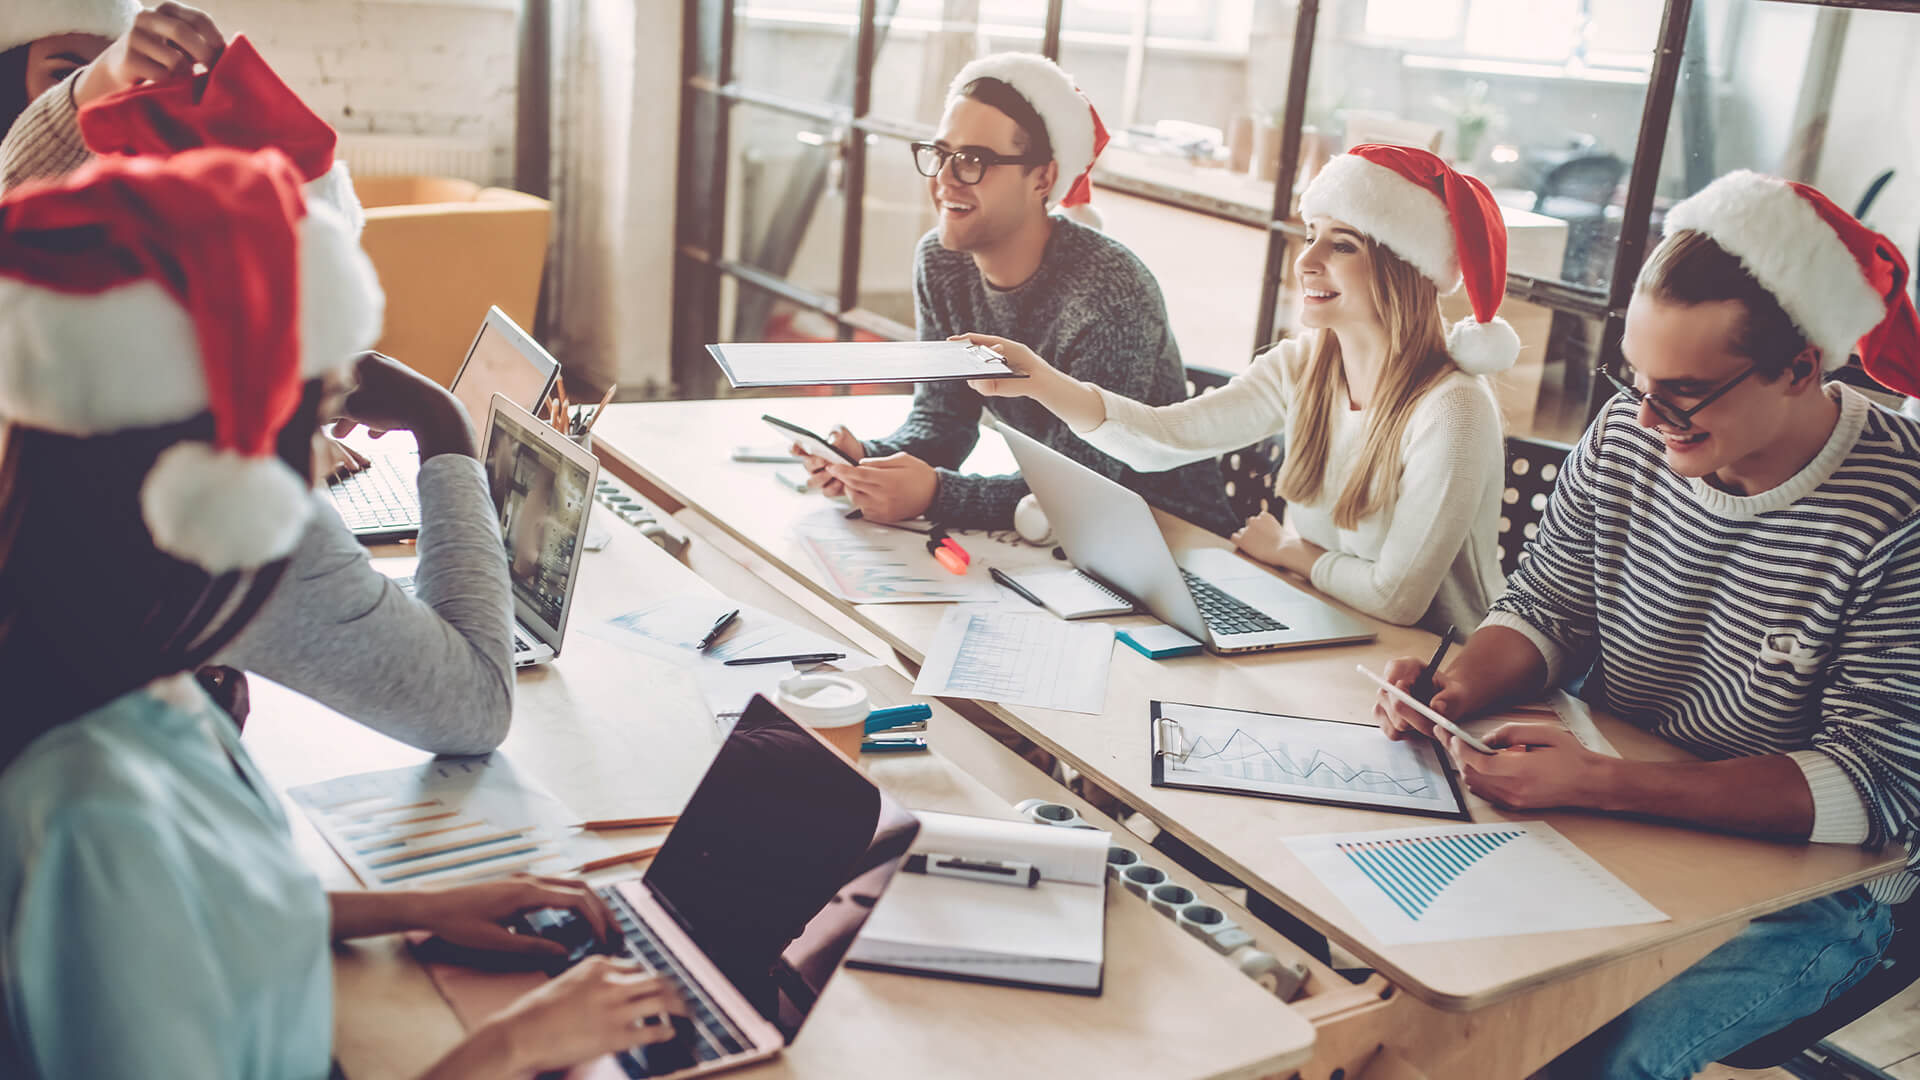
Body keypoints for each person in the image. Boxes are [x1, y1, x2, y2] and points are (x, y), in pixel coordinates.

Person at [0, 147, 684, 1080]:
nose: (326, 466)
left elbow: (192, 911)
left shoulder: (135, 667)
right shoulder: (93, 812)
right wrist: (506, 1050)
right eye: (314, 424)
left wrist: (405, 909)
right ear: (213, 479)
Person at [1374, 170, 1920, 1079]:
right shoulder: (1634, 433)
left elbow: (1876, 789)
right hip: (1611, 809)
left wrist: (1603, 784)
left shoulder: (1900, 509)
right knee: (1410, 988)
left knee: (1572, 1053)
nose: (1645, 415)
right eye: (1633, 378)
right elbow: (1546, 607)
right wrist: (1454, 688)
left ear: (1801, 367)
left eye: (1684, 392)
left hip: (1824, 892)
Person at [2, 6, 519, 755]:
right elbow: (474, 708)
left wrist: (104, 84)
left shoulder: (32, 417)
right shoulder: (230, 531)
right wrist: (444, 425)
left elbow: (20, 189)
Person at [966, 145, 1516, 633]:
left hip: (1439, 673)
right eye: (1310, 236)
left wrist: (1290, 552)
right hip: (1328, 624)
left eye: (1342, 246)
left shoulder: (1453, 408)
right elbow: (1162, 440)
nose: (1306, 261)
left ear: (1403, 268)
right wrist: (1038, 380)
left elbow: (1397, 600)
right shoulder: (1304, 365)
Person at [793, 52, 1236, 536]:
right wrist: (867, 461)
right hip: (1052, 536)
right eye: (940, 154)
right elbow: (943, 419)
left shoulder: (1111, 292)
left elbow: (1084, 483)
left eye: (972, 161)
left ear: (1042, 178)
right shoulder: (942, 263)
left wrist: (939, 494)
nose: (943, 180)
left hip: (1173, 542)